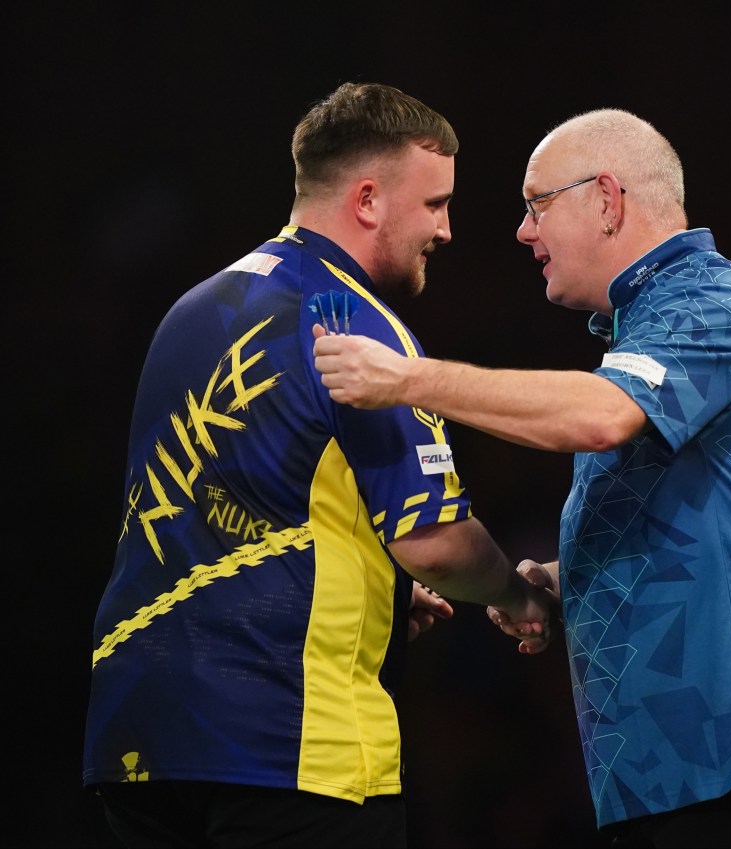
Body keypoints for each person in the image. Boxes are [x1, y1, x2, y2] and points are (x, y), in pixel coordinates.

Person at [312, 107, 731, 848]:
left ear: (607, 198)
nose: (521, 231)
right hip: (672, 771)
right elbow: (702, 522)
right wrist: (571, 578)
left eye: (536, 205)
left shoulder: (713, 298)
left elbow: (601, 416)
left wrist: (408, 378)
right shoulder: (650, 326)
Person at [82, 81, 553, 849]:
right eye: (434, 203)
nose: (448, 229)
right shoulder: (357, 326)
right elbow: (432, 542)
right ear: (368, 199)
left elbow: (226, 507)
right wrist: (512, 591)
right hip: (289, 750)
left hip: (139, 751)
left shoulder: (190, 312)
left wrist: (372, 587)